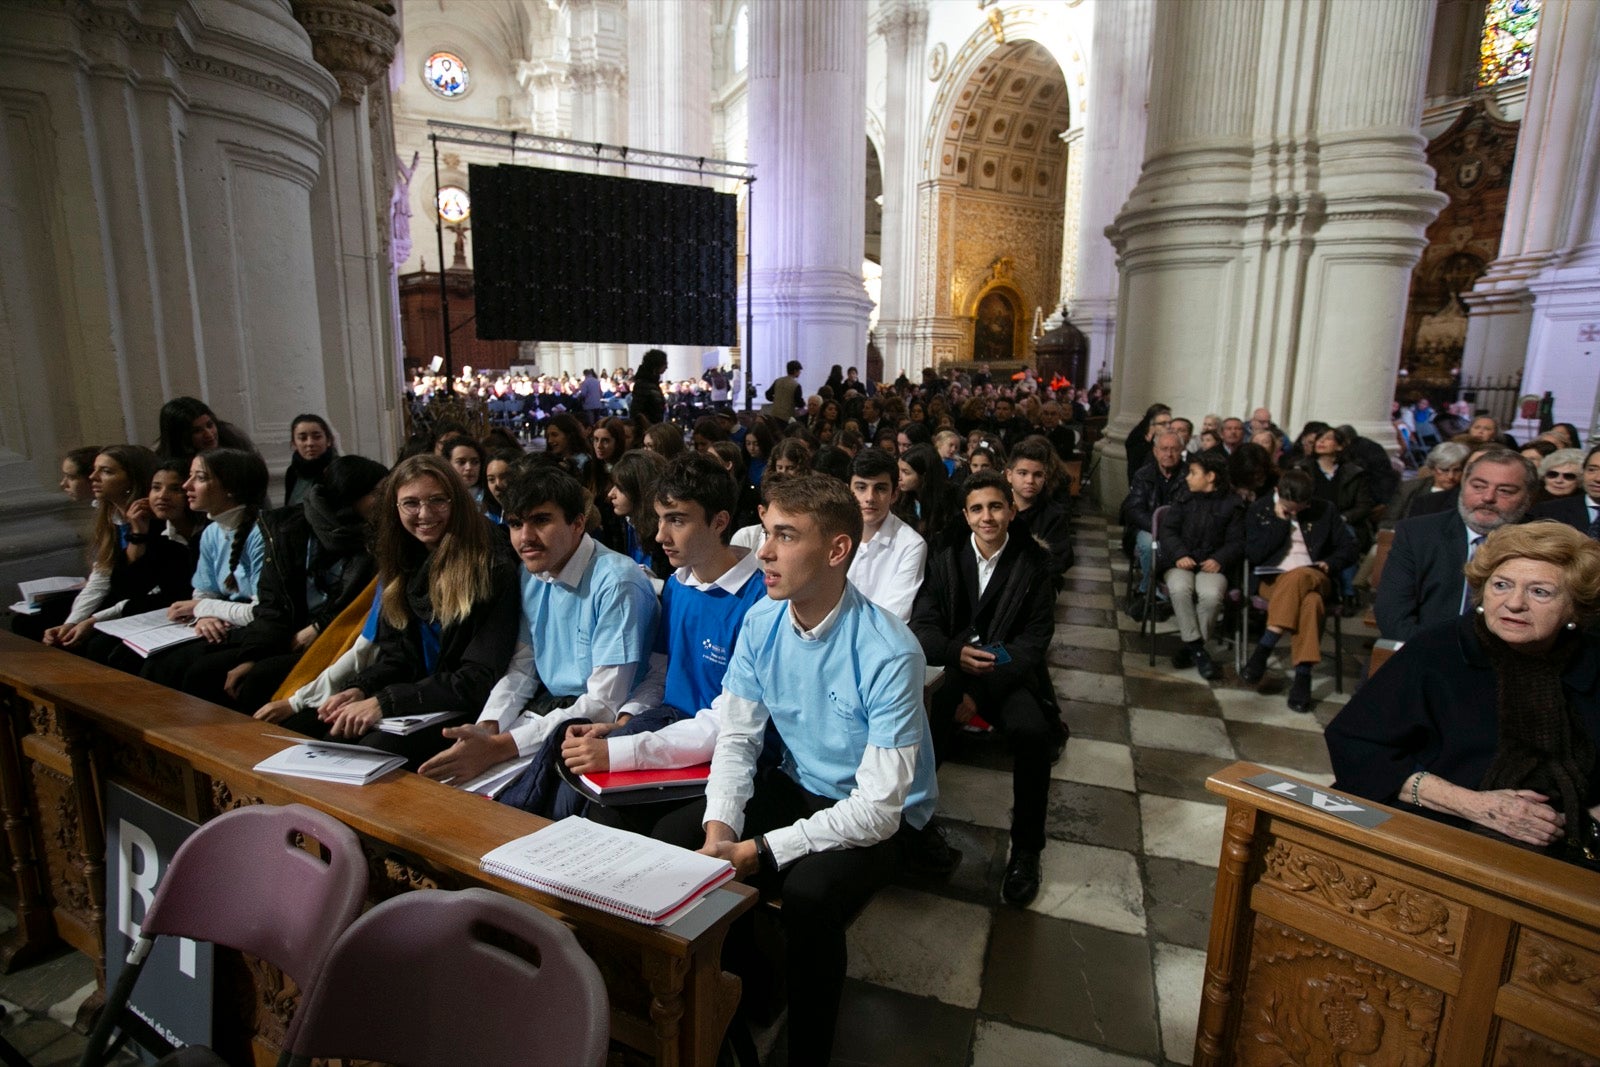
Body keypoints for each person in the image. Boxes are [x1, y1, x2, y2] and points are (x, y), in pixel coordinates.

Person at [655, 474, 938, 1067]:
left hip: (886, 815)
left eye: (785, 536)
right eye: (766, 532)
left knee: (810, 895)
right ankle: (741, 1000)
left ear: (837, 551)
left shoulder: (890, 650)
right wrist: (720, 832)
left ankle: (808, 1053)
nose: (763, 550)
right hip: (803, 782)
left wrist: (757, 849)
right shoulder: (762, 622)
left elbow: (879, 808)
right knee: (675, 843)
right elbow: (736, 736)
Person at [1327, 522, 1600, 868]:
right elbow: (1356, 744)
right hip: (1437, 833)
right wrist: (1474, 804)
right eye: (1501, 585)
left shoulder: (1592, 660)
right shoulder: (1438, 651)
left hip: (1570, 849)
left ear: (1576, 607)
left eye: (1540, 592)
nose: (1514, 604)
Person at [559, 454, 767, 831]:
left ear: (719, 522)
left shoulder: (759, 600)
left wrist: (621, 750)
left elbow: (727, 721)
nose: (659, 536)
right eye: (660, 518)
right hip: (670, 730)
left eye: (677, 520)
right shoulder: (677, 583)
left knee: (652, 829)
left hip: (725, 749)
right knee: (584, 799)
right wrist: (625, 721)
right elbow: (660, 673)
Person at [418, 466, 657, 793]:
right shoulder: (533, 573)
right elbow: (522, 669)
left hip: (606, 728)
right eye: (516, 524)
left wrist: (502, 746)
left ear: (577, 524)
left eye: (541, 520)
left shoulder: (616, 582)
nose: (525, 537)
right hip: (552, 709)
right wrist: (488, 729)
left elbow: (604, 703)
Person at [278, 454, 520, 768]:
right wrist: (360, 688)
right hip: (416, 696)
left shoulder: (491, 565)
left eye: (437, 500)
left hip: (465, 707)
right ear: (395, 508)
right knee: (310, 727)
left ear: (457, 502)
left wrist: (386, 702)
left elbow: (477, 678)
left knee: (373, 750)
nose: (425, 513)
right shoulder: (404, 560)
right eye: (411, 503)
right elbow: (399, 657)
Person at [911, 470, 1064, 905]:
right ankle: (914, 827)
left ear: (1012, 510)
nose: (987, 517)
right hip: (955, 664)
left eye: (996, 506)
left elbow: (1034, 642)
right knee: (924, 719)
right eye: (977, 508)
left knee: (1032, 732)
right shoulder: (946, 556)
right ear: (966, 513)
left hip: (1007, 671)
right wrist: (956, 655)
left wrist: (981, 691)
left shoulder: (1033, 564)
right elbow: (925, 622)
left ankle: (1028, 850)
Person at [216, 455, 388, 711]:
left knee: (260, 680)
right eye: (377, 493)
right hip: (288, 629)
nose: (386, 501)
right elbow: (273, 601)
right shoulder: (290, 529)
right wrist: (253, 654)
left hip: (334, 635)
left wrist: (319, 626)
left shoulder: (379, 537)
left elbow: (359, 608)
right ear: (349, 494)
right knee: (207, 670)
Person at [138, 448, 271, 681]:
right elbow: (203, 592)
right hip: (227, 623)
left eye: (199, 478)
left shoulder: (262, 534)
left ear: (231, 488)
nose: (187, 485)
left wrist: (201, 608)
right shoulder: (211, 533)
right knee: (152, 663)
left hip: (258, 632)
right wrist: (205, 616)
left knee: (193, 673)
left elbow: (261, 613)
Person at [1376, 447, 1535, 642]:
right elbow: (1393, 615)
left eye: (1504, 491)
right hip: (1426, 651)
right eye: (1478, 486)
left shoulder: (1543, 545)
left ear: (1528, 499)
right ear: (1463, 485)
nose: (1488, 497)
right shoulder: (1417, 534)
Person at [1239, 468, 1357, 712]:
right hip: (1273, 580)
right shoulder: (1260, 510)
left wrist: (1330, 563)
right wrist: (1280, 522)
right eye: (1289, 507)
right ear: (1276, 492)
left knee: (1302, 575)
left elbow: (1349, 548)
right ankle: (1303, 678)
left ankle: (1264, 648)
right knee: (1311, 603)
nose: (1294, 512)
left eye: (1298, 508)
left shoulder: (1325, 509)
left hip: (1315, 575)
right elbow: (1254, 554)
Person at [41, 445, 160, 648]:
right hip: (125, 599)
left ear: (132, 479)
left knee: (97, 645)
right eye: (94, 470)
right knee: (51, 623)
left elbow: (150, 591)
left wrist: (93, 621)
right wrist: (72, 622)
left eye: (106, 471)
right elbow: (100, 578)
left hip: (149, 604)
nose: (93, 477)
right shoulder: (110, 518)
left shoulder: (156, 522)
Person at [1157, 451, 1245, 681]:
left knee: (1211, 594)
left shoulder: (1233, 504)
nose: (1187, 477)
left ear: (1211, 476)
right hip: (1181, 562)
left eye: (1194, 473)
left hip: (1212, 564)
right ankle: (1198, 650)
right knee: (1179, 589)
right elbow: (1167, 531)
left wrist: (1220, 559)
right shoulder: (1184, 497)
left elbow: (1238, 541)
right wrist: (1180, 553)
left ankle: (1190, 648)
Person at [846, 449, 927, 622]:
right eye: (861, 487)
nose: (869, 497)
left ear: (894, 494)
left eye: (880, 488)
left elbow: (893, 618)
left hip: (879, 642)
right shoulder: (831, 534)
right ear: (848, 491)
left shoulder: (911, 545)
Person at [1121, 429, 1189, 615]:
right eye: (1164, 448)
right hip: (1148, 526)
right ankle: (1153, 591)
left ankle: (1149, 591)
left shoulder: (1189, 476)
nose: (1168, 454)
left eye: (1174, 449)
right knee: (1148, 544)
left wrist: (1170, 531)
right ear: (1155, 451)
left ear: (1182, 450)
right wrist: (1157, 528)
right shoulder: (1143, 475)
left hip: (1179, 530)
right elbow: (1134, 509)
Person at [1006, 436, 1075, 579]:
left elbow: (1061, 560)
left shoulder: (1054, 516)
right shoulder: (995, 509)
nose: (1030, 481)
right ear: (1009, 475)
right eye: (1023, 473)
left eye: (1037, 475)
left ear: (1045, 477)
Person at [607, 448, 672, 577]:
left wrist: (657, 585)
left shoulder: (666, 533)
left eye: (620, 488)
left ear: (641, 491)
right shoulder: (620, 523)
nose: (610, 494)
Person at [1384, 442, 1467, 528]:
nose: (1451, 476)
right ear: (1433, 469)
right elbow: (1389, 522)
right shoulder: (1409, 489)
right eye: (1444, 470)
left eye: (1457, 470)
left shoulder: (1465, 493)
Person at [155, 396, 254, 460]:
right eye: (197, 431)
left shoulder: (234, 440)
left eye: (210, 425)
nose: (209, 434)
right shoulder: (162, 458)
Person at [1531, 445, 1598, 531]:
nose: (1559, 480)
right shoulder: (1539, 509)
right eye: (1552, 474)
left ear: (1580, 479)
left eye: (1569, 476)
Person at [282, 414, 337, 507]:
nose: (310, 443)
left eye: (317, 437)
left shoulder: (338, 471)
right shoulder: (292, 472)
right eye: (303, 438)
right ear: (294, 443)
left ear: (329, 440)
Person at [437, 432, 486, 504]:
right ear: (447, 464)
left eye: (475, 462)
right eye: (461, 462)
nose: (469, 468)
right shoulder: (438, 497)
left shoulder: (489, 497)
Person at [630, 349, 668, 425]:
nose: (666, 367)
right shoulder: (643, 384)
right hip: (647, 428)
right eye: (665, 363)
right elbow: (637, 411)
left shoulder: (653, 383)